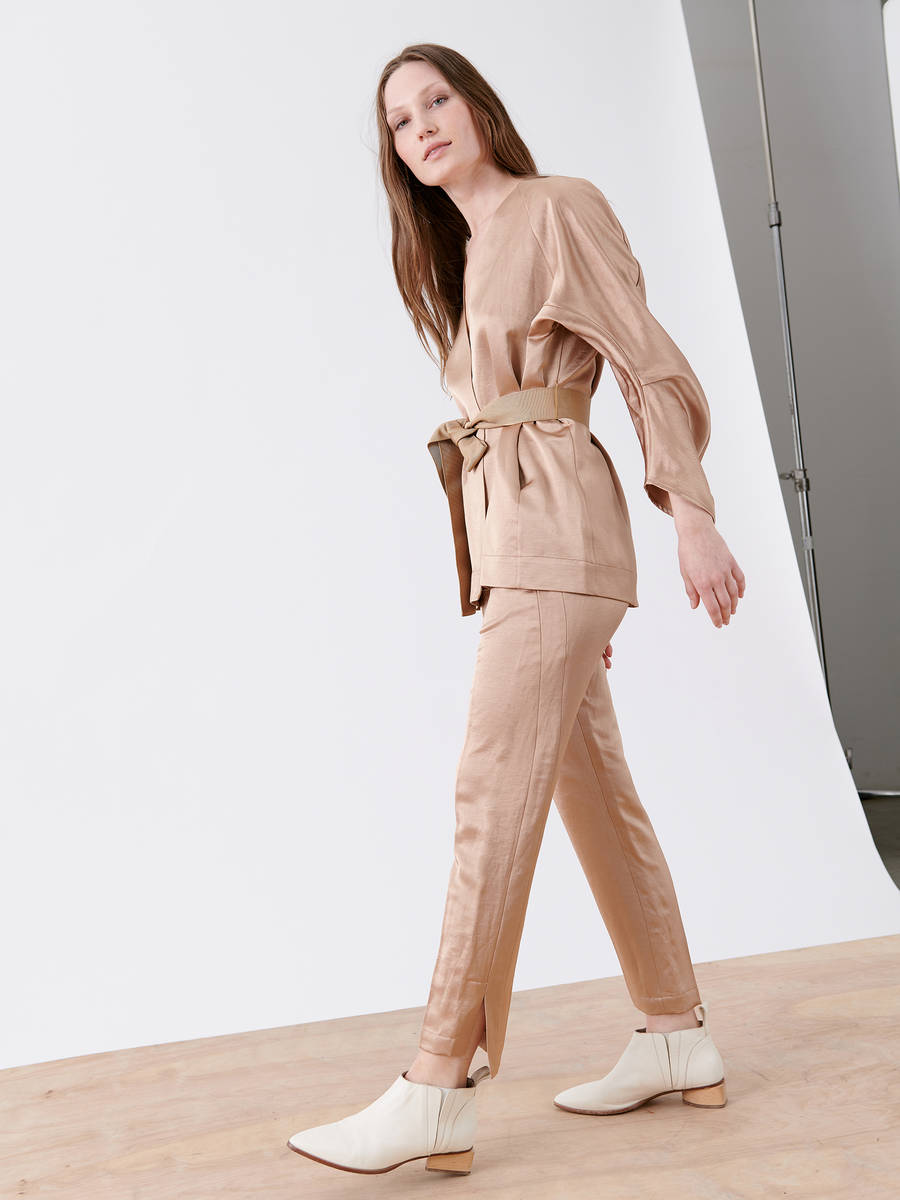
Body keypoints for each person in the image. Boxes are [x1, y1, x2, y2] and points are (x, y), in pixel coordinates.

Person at [288, 43, 745, 1177]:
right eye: (400, 120)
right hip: (523, 548)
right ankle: (678, 1032)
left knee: (490, 798)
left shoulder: (556, 208)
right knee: (592, 793)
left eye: (436, 98)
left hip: (560, 540)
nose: (422, 124)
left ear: (479, 104)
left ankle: (438, 1081)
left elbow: (649, 364)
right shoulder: (469, 248)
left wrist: (690, 512)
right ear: (396, 155)